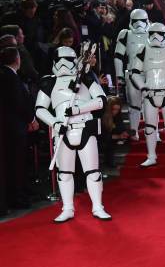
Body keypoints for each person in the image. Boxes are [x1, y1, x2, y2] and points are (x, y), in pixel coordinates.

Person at [35, 46, 112, 222]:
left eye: (67, 60)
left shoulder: (86, 77)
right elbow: (40, 109)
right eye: (59, 60)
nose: (63, 65)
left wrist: (78, 109)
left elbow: (101, 101)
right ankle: (68, 208)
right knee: (65, 173)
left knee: (92, 171)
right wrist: (55, 122)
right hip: (62, 132)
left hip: (85, 128)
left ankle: (98, 206)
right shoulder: (49, 82)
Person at [131, 23, 165, 167]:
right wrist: (143, 87)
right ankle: (151, 156)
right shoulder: (142, 50)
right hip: (150, 92)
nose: (156, 37)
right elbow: (134, 73)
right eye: (152, 33)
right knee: (149, 127)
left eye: (159, 34)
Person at [1, 47, 36, 210]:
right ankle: (18, 198)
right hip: (15, 128)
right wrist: (31, 119)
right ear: (17, 60)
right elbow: (18, 103)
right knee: (17, 164)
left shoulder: (5, 75)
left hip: (9, 127)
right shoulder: (11, 78)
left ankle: (15, 196)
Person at [114, 9, 150, 140]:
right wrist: (119, 76)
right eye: (136, 21)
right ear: (131, 21)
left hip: (149, 74)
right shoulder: (126, 34)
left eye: (142, 21)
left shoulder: (153, 33)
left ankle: (152, 131)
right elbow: (118, 56)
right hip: (131, 72)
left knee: (150, 104)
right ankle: (134, 131)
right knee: (134, 105)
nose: (139, 24)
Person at [101, 96, 129, 168]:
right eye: (114, 109)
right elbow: (102, 136)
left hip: (111, 137)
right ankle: (110, 164)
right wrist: (118, 136)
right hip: (102, 139)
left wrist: (124, 132)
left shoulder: (117, 115)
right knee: (109, 144)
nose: (115, 112)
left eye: (117, 109)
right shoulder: (102, 115)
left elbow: (121, 125)